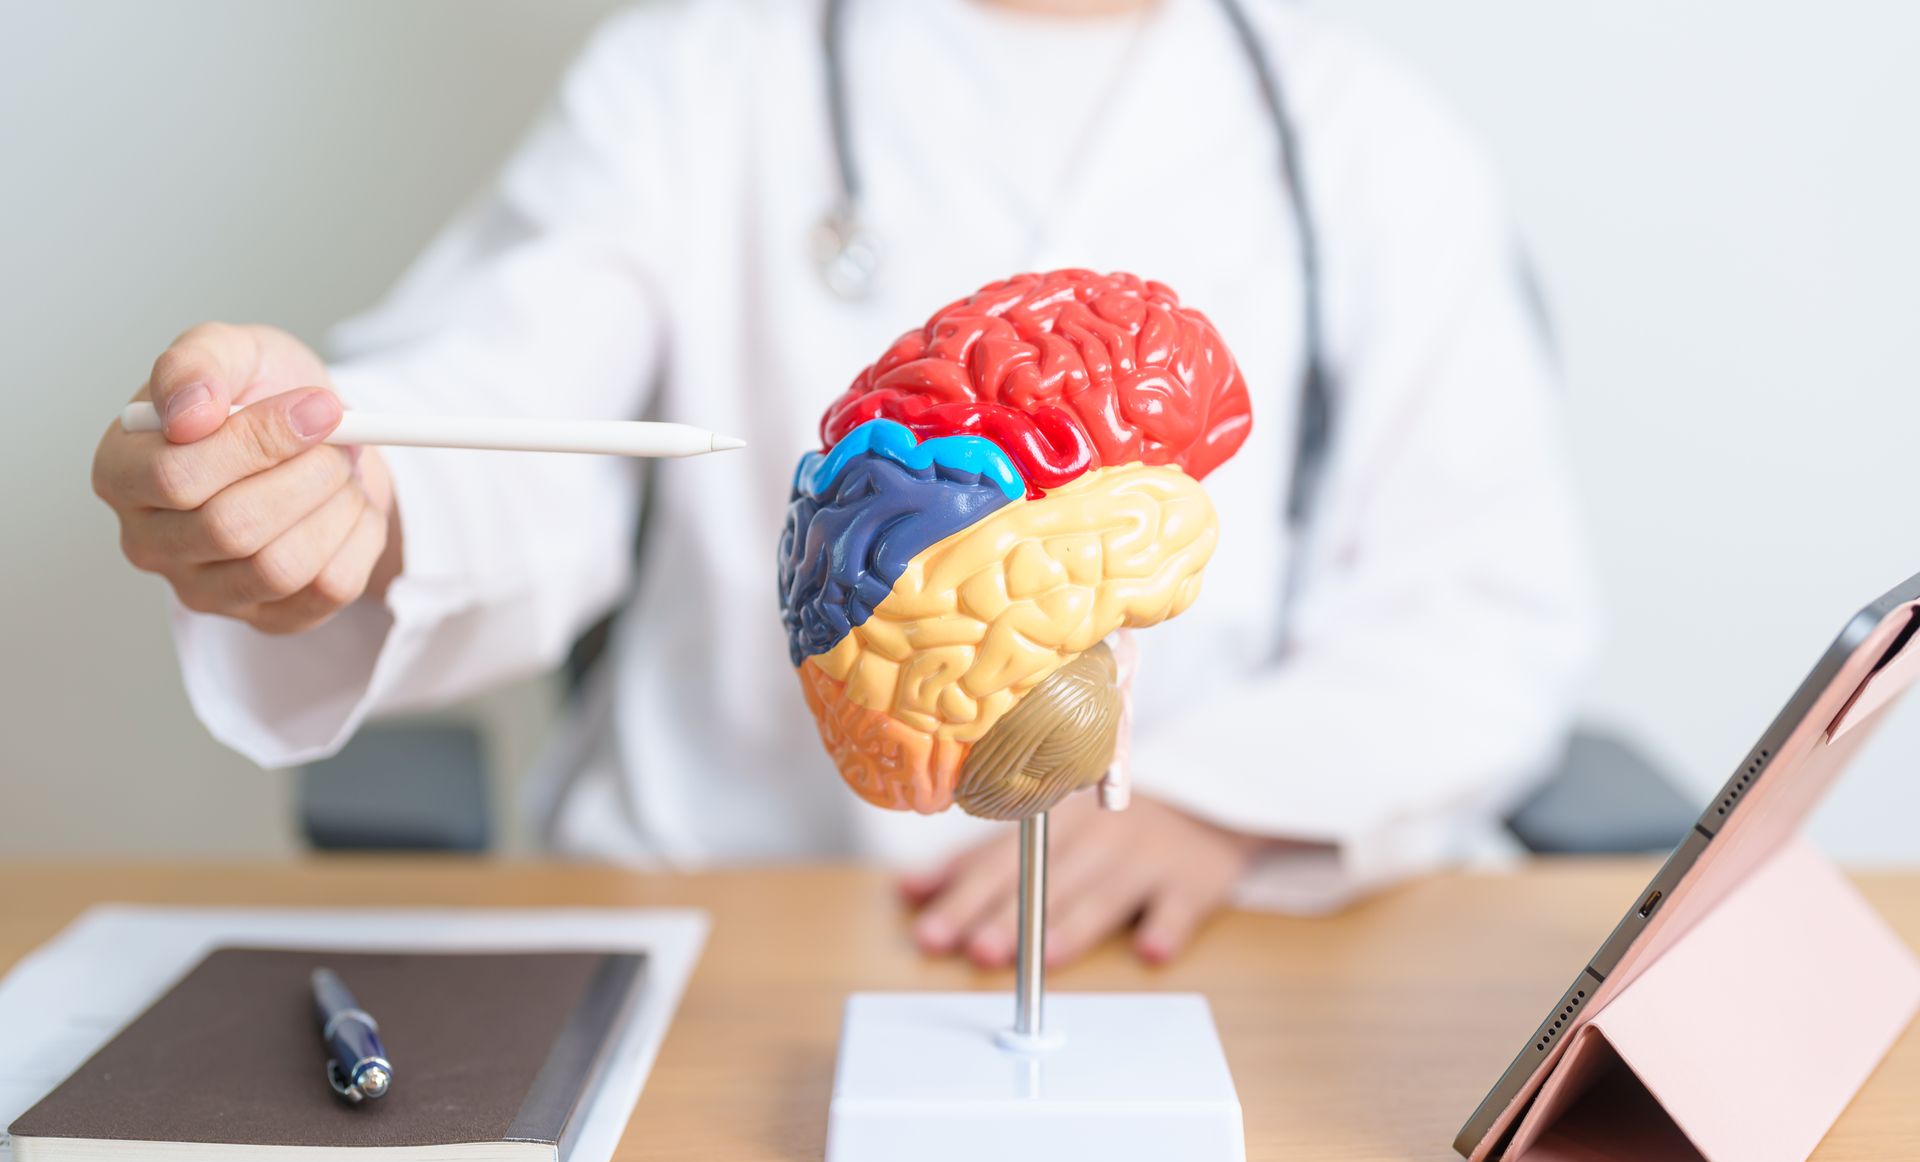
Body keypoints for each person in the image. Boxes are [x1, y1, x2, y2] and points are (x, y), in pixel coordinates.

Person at [90, 0, 1596, 967]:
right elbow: (503, 411)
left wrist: (1221, 806)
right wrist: (340, 494)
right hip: (729, 936)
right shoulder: (697, 74)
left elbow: (1482, 601)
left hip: (1213, 952)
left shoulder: (1371, 142)